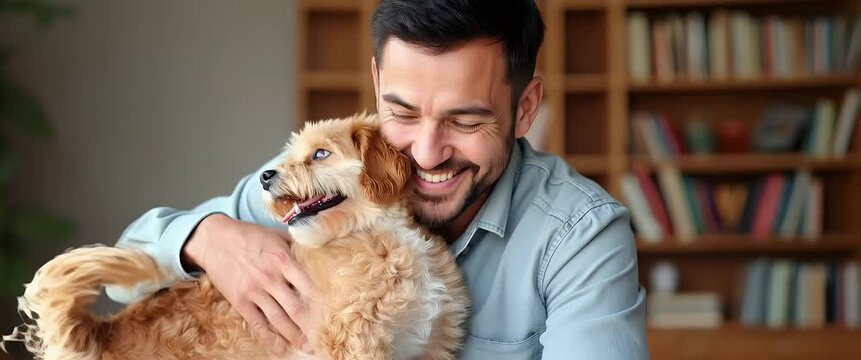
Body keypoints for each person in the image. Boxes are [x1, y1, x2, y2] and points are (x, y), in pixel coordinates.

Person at [106, 0, 648, 358]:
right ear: (377, 82)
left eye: (465, 121)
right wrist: (206, 239)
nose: (426, 154)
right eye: (403, 113)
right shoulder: (323, 185)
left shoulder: (579, 237)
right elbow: (122, 275)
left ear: (525, 108)